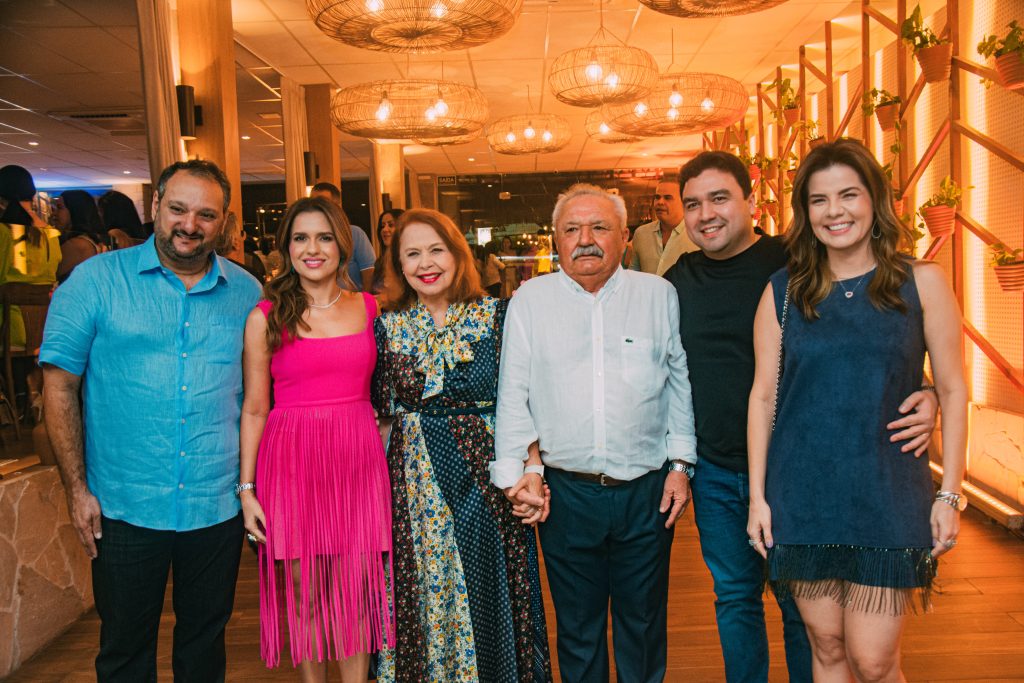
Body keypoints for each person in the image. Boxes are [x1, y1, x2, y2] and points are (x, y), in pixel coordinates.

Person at [663, 150, 938, 682]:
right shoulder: (678, 280)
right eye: (692, 204)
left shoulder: (799, 262)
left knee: (806, 617)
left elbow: (878, 335)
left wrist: (929, 391)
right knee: (735, 599)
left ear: (750, 199)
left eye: (719, 198)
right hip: (717, 469)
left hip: (802, 469)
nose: (706, 214)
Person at [747, 140, 967, 681]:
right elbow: (763, 397)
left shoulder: (922, 282)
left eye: (848, 195)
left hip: (887, 492)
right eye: (819, 200)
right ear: (806, 212)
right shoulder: (783, 291)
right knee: (825, 648)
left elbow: (955, 390)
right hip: (802, 494)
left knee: (874, 661)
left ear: (874, 201)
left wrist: (950, 493)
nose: (834, 211)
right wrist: (757, 497)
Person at [40, 159, 262, 681]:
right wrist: (77, 490)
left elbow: (262, 397)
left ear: (223, 221)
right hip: (122, 504)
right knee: (123, 649)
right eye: (178, 209)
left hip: (216, 503)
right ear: (155, 207)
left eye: (206, 214)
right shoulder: (93, 282)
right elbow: (59, 386)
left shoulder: (249, 294)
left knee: (204, 645)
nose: (190, 225)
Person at [493, 184, 697, 682]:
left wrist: (680, 466)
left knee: (643, 624)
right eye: (572, 230)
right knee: (579, 628)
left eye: (599, 227)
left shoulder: (658, 295)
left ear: (625, 237)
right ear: (557, 240)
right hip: (567, 495)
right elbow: (512, 393)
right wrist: (519, 474)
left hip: (647, 492)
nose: (585, 240)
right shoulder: (530, 301)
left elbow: (678, 383)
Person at [371, 208, 551, 681]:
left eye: (436, 250)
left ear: (457, 254)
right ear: (399, 264)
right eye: (412, 253)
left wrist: (532, 468)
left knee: (491, 585)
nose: (425, 263)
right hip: (413, 480)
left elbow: (521, 399)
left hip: (489, 473)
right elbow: (382, 413)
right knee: (424, 588)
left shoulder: (497, 316)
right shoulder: (386, 327)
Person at [239, 197, 393, 679]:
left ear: (342, 246)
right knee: (305, 594)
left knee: (357, 593)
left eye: (324, 237)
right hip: (292, 462)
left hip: (357, 462)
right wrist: (247, 492)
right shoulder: (265, 316)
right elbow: (255, 407)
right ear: (286, 247)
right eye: (301, 238)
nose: (313, 249)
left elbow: (391, 395)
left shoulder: (371, 309)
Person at [0, 165, 61, 422]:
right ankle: (31, 396)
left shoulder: (3, 232)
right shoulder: (50, 233)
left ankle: (9, 408)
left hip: (8, 326)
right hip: (43, 327)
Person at [309, 182, 375, 291]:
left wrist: (364, 303)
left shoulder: (354, 234)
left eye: (322, 202)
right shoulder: (308, 237)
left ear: (337, 206)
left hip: (352, 302)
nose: (316, 207)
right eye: (312, 202)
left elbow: (369, 274)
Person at [629, 178, 698, 275]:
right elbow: (634, 275)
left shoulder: (697, 236)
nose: (660, 202)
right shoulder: (641, 233)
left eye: (667, 198)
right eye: (657, 197)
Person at [54, 189, 107, 281]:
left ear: (75, 209)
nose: (54, 214)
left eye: (59, 208)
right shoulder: (91, 239)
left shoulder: (77, 245)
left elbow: (56, 279)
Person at [371, 208, 402, 293]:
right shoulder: (380, 262)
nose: (385, 229)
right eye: (383, 226)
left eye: (391, 225)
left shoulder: (408, 261)